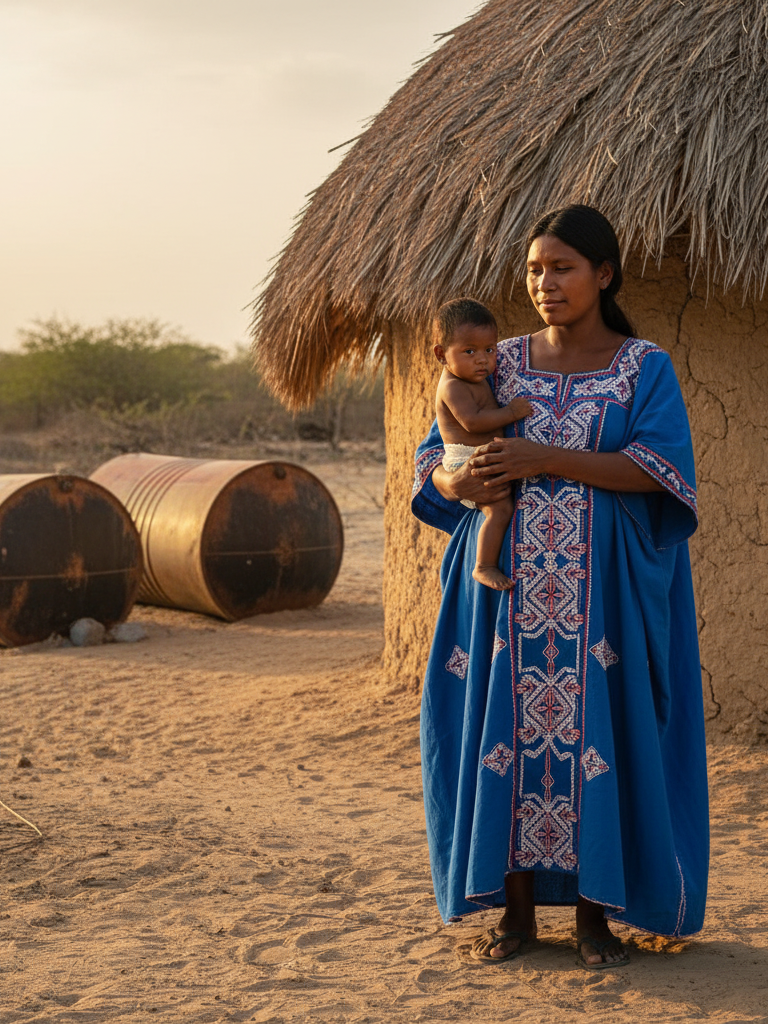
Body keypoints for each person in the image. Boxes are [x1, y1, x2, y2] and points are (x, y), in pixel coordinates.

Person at [412, 204, 708, 970]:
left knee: (595, 743)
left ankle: (592, 918)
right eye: (534, 269)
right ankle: (514, 917)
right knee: (504, 740)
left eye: (562, 268)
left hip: (598, 601)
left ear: (603, 274)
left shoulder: (643, 367)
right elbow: (436, 458)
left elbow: (660, 470)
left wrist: (543, 457)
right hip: (505, 599)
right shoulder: (495, 360)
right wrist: (456, 479)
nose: (544, 283)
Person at [433, 298, 532, 590]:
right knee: (498, 509)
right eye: (469, 351)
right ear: (441, 354)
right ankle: (483, 565)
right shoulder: (452, 386)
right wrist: (511, 413)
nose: (482, 359)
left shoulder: (472, 379)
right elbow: (472, 422)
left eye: (489, 350)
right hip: (465, 460)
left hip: (475, 455)